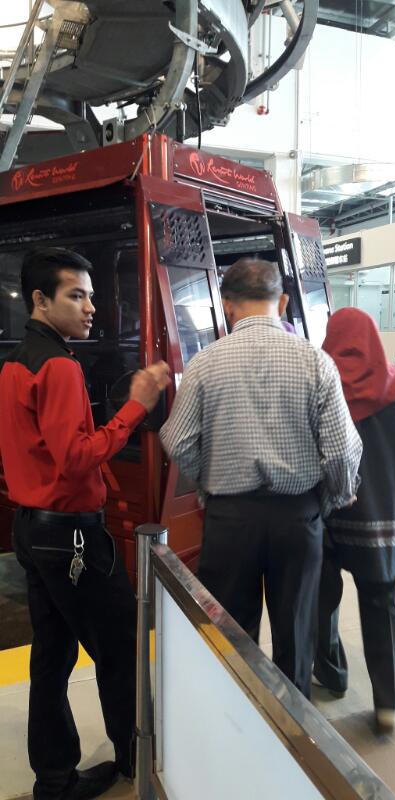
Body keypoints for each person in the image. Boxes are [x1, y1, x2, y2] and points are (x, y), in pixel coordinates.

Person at [0, 248, 170, 800]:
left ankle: (54, 779)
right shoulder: (60, 366)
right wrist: (136, 405)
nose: (91, 306)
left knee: (52, 654)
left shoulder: (14, 361)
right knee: (119, 644)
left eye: (91, 294)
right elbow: (77, 457)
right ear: (40, 300)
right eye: (77, 295)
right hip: (70, 532)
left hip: (31, 528)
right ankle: (134, 757)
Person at [160, 258, 362, 698]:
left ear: (227, 306)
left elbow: (176, 440)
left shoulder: (204, 364)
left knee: (232, 635)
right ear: (284, 301)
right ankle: (293, 736)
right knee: (297, 632)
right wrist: (330, 499)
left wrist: (207, 484)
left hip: (230, 520)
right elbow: (343, 449)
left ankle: (238, 722)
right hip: (297, 518)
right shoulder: (315, 361)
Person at [313, 307, 395, 733]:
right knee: (381, 605)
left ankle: (332, 675)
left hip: (330, 515)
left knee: (320, 600)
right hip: (385, 517)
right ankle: (388, 706)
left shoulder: (322, 386)